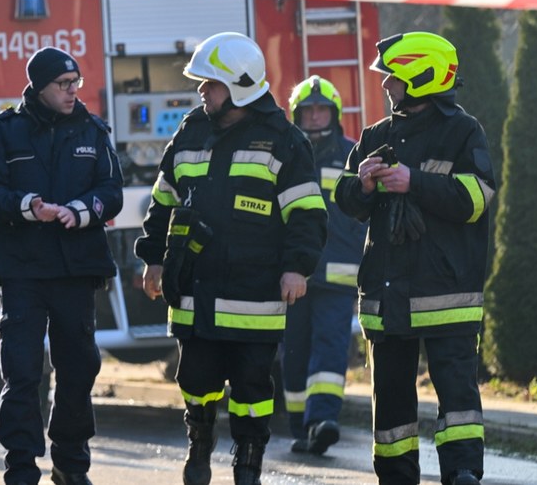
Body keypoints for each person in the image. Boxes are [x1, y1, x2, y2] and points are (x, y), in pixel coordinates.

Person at [136, 32, 327, 485]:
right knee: (195, 381)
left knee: (252, 389)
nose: (203, 91)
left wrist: (297, 267)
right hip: (195, 291)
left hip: (254, 294)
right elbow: (162, 203)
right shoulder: (189, 133)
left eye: (211, 84)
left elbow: (307, 214)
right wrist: (154, 258)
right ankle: (199, 448)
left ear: (240, 86)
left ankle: (248, 462)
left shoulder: (284, 141)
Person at [334, 31, 494, 485]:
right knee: (391, 404)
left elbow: (478, 197)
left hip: (447, 293)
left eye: (393, 78)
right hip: (388, 296)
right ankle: (396, 477)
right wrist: (362, 183)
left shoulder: (463, 131)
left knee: (458, 395)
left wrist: (414, 182)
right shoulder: (376, 135)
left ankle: (462, 472)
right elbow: (345, 199)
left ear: (421, 77)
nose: (385, 86)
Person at [0, 47, 124, 485]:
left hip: (76, 269)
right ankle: (21, 468)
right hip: (22, 270)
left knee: (78, 370)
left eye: (75, 82)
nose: (72, 91)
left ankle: (70, 464)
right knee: (22, 372)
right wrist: (28, 207)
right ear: (40, 87)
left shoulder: (93, 131)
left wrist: (81, 210)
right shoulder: (4, 131)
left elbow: (111, 189)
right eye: (63, 84)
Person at [281, 75, 366, 455]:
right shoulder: (284, 156)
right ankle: (301, 426)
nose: (315, 117)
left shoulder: (354, 155)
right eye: (308, 110)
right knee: (294, 352)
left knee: (331, 346)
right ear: (297, 114)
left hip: (337, 275)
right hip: (292, 276)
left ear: (333, 113)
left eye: (322, 109)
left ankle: (323, 419)